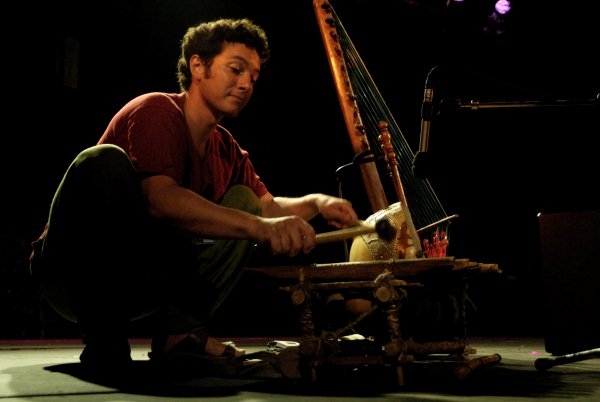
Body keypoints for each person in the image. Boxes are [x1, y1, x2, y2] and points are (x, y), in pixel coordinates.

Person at [29, 18, 358, 375]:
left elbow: (267, 209)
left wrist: (317, 203)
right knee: (102, 160)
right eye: (236, 69)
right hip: (72, 279)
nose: (246, 83)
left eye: (254, 77)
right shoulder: (156, 110)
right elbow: (161, 199)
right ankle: (104, 336)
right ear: (198, 66)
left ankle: (180, 334)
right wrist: (259, 226)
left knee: (244, 201)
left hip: (141, 285)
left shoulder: (226, 148)